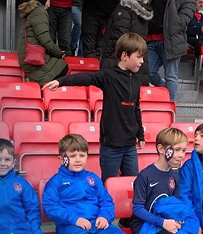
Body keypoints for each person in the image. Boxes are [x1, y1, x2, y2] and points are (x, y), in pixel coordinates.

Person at [43, 32, 146, 185]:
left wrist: (141, 135)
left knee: (133, 184)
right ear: (124, 56)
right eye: (138, 57)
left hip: (130, 145)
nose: (142, 61)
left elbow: (136, 108)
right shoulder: (108, 76)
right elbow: (84, 78)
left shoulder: (137, 79)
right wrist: (61, 81)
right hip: (111, 146)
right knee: (108, 185)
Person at [147, 0, 196, 101]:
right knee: (148, 73)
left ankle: (170, 106)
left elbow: (183, 20)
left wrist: (177, 25)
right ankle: (165, 88)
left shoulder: (188, 1)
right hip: (151, 40)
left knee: (171, 75)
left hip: (171, 41)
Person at [101, 0, 154, 86]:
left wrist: (108, 60)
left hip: (119, 64)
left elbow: (119, 39)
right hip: (136, 64)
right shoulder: (142, 12)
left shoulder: (124, 9)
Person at [18, 0, 69, 87]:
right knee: (62, 67)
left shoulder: (34, 11)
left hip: (27, 55)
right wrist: (59, 53)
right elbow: (45, 39)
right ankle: (46, 96)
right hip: (32, 58)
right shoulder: (39, 12)